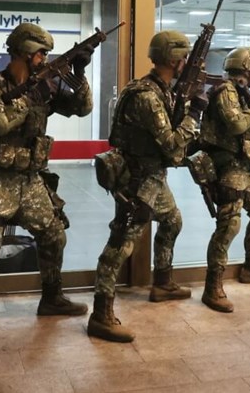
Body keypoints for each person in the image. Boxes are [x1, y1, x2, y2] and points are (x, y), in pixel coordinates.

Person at [0, 23, 94, 361]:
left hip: (29, 179)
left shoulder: (46, 87)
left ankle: (51, 297)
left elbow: (82, 109)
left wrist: (79, 74)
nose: (45, 60)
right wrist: (29, 99)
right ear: (25, 53)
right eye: (42, 53)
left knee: (54, 234)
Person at [87, 30, 207, 343]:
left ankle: (163, 282)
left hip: (154, 177)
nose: (187, 64)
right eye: (184, 58)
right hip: (138, 180)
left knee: (172, 221)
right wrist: (194, 115)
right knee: (120, 247)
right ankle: (100, 315)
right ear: (173, 60)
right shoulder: (148, 96)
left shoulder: (161, 89)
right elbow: (171, 146)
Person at [196, 48, 250, 314]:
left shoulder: (240, 93)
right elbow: (234, 124)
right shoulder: (226, 92)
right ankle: (213, 287)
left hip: (242, 169)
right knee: (228, 226)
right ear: (248, 72)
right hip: (227, 168)